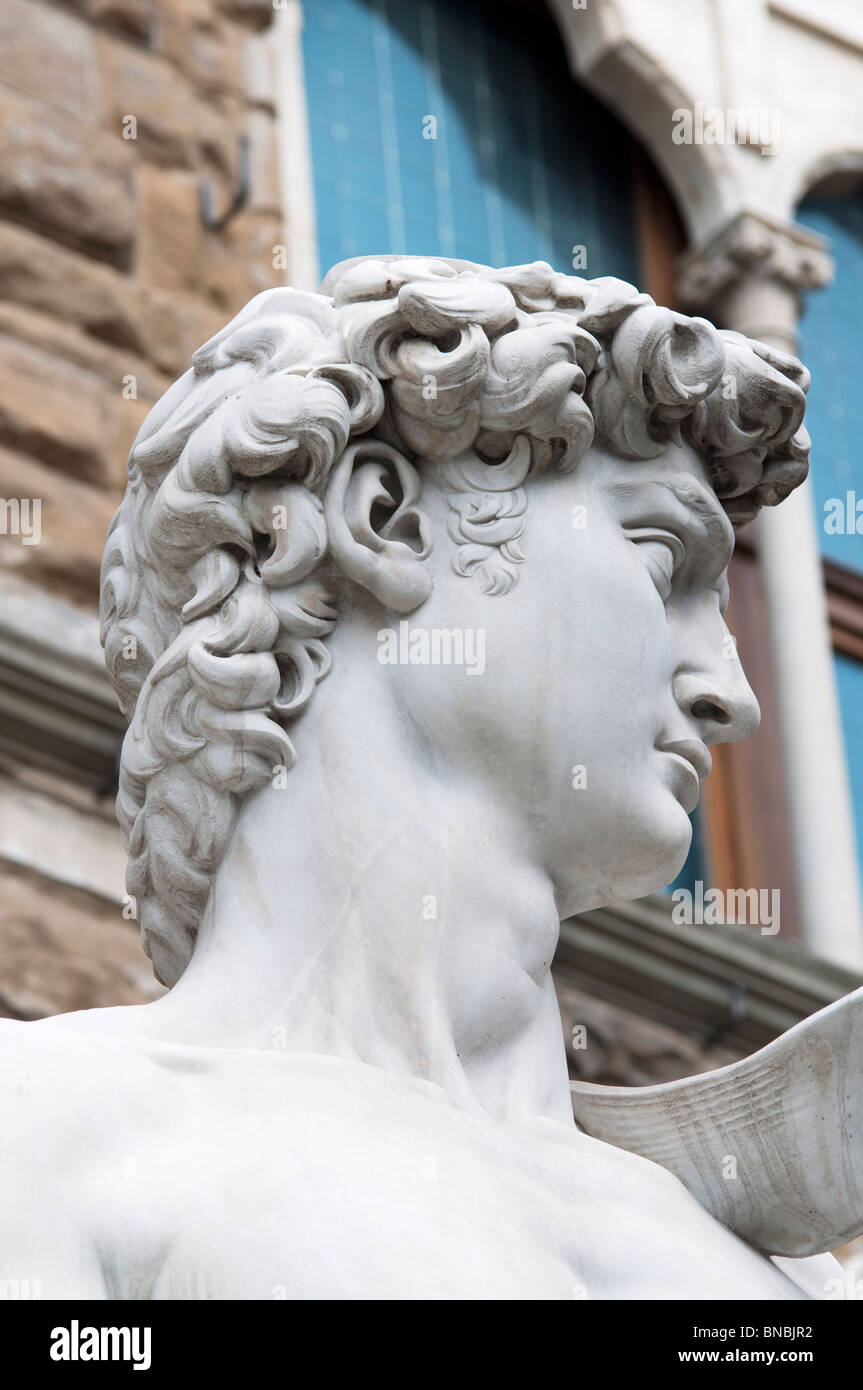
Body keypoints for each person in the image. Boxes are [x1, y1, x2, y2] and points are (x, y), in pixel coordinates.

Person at [1, 256, 842, 1298]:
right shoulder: (47, 1145)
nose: (732, 693)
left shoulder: (789, 1283)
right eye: (663, 562)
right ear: (384, 520)